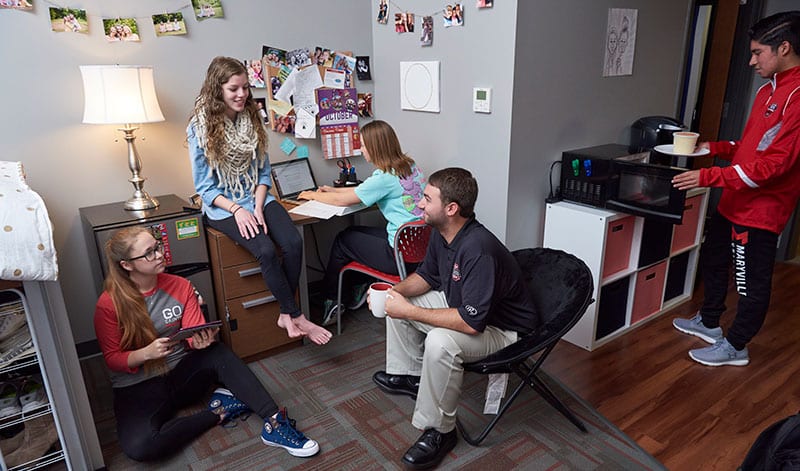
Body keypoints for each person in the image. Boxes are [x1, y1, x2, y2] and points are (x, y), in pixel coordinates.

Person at [94, 226, 320, 461]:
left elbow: (193, 332)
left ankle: (275, 422)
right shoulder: (109, 304)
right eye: (149, 253)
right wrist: (145, 353)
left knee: (218, 352)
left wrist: (198, 342)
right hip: (139, 387)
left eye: (158, 247)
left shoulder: (180, 285)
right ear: (127, 265)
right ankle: (219, 412)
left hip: (182, 375)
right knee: (141, 448)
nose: (160, 254)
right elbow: (112, 359)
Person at [369, 168, 539, 469]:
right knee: (397, 300)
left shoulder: (478, 249)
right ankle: (411, 375)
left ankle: (440, 432)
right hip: (468, 310)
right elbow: (426, 276)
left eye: (426, 198)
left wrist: (409, 311)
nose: (419, 204)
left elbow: (471, 323)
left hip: (504, 331)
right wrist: (392, 293)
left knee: (439, 341)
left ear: (451, 209)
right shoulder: (442, 232)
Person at [672, 11, 800, 367]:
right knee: (713, 260)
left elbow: (774, 166)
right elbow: (750, 145)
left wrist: (709, 176)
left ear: (784, 48)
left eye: (759, 52)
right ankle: (710, 322)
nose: (751, 60)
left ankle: (736, 345)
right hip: (734, 201)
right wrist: (711, 149)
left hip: (761, 212)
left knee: (749, 283)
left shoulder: (798, 97)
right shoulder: (767, 90)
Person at [188, 56, 332, 345]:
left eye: (244, 88)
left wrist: (257, 206)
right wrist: (239, 211)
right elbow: (204, 188)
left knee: (293, 243)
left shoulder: (252, 119)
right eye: (233, 89)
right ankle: (296, 314)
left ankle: (285, 313)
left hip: (256, 198)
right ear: (218, 90)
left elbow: (263, 172)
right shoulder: (199, 129)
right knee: (266, 251)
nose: (241, 95)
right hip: (223, 206)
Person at [298, 120, 426, 326]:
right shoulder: (410, 166)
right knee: (355, 232)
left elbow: (345, 201)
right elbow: (360, 191)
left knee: (343, 240)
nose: (361, 149)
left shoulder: (383, 177)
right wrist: (331, 190)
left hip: (398, 258)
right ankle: (356, 289)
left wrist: (312, 195)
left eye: (364, 145)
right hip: (418, 252)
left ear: (375, 148)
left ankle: (332, 300)